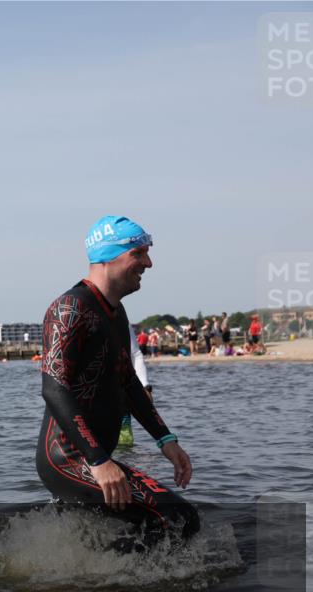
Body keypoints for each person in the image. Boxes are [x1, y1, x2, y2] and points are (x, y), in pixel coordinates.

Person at [38, 215, 198, 551]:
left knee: (161, 523)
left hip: (91, 458)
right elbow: (54, 387)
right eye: (139, 254)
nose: (149, 263)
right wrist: (98, 461)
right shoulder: (70, 308)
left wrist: (165, 440)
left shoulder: (115, 312)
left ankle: (97, 583)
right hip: (68, 459)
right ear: (111, 255)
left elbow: (127, 383)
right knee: (178, 518)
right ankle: (115, 591)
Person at [118, 323, 153, 446]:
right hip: (88, 399)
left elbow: (136, 355)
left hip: (120, 393)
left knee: (124, 445)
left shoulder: (120, 319)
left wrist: (145, 385)